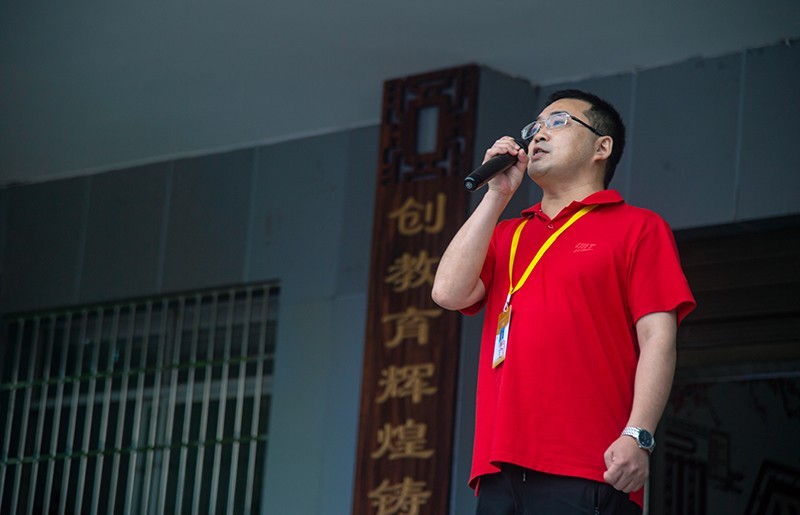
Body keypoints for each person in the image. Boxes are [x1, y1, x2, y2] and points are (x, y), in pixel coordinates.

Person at [431, 89, 696, 514]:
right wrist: (497, 195)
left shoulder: (638, 227)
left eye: (557, 122)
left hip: (590, 466)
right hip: (498, 469)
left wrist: (638, 435)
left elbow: (658, 340)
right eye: (534, 127)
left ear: (601, 147)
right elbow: (447, 292)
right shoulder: (508, 233)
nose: (538, 135)